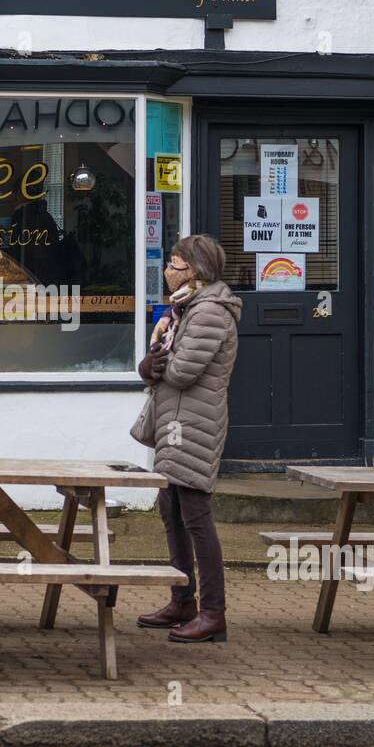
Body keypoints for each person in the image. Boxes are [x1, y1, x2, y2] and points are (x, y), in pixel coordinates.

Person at [135, 234, 239, 643]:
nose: (168, 269)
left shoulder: (210, 311)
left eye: (174, 263)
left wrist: (153, 363)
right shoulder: (188, 308)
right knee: (171, 508)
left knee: (195, 514)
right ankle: (182, 599)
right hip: (176, 421)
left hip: (194, 424)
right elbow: (164, 363)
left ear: (193, 270)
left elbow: (180, 372)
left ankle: (213, 612)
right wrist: (150, 364)